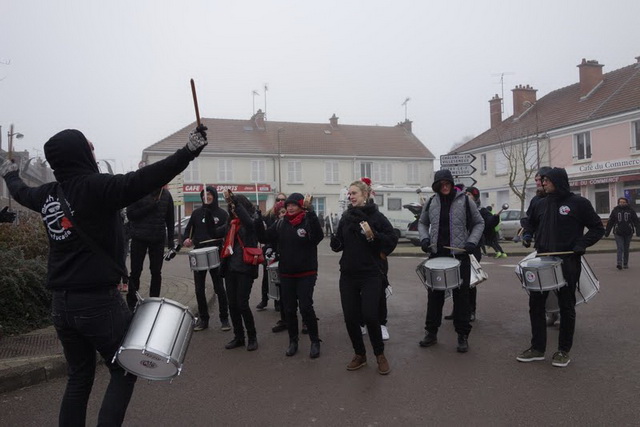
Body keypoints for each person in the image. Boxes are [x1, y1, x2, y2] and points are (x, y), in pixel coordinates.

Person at [1, 126, 208, 426]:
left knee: (79, 377)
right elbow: (145, 179)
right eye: (89, 145)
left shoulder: (48, 195)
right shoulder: (95, 187)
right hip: (97, 303)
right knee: (124, 369)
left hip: (61, 305)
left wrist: (9, 174)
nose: (94, 148)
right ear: (79, 152)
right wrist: (188, 151)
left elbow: (21, 192)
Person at [518, 167, 604, 367]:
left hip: (568, 261)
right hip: (542, 261)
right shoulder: (540, 203)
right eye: (542, 180)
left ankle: (563, 351)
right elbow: (529, 223)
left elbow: (597, 228)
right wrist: (528, 235)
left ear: (558, 181)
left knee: (566, 306)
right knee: (536, 305)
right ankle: (537, 348)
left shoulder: (578, 203)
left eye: (547, 180)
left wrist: (581, 244)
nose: (543, 183)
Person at [330, 180, 398, 375]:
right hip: (348, 274)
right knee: (350, 318)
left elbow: (391, 240)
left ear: (365, 195)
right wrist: (335, 241)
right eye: (349, 193)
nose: (351, 196)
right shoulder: (345, 217)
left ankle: (379, 354)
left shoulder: (377, 216)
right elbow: (339, 245)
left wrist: (373, 235)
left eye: (354, 193)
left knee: (369, 315)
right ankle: (359, 354)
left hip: (371, 274)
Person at [418, 169, 484, 353]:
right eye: (441, 184)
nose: (444, 186)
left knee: (461, 298)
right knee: (434, 297)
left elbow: (479, 223)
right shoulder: (431, 201)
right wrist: (424, 239)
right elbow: (422, 223)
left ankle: (462, 335)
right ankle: (431, 332)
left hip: (459, 257)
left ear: (451, 183)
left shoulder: (465, 201)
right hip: (437, 256)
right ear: (437, 186)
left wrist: (471, 242)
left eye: (447, 183)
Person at [256, 193, 324, 358]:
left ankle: (315, 341)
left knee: (306, 306)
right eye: (288, 205)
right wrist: (257, 221)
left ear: (301, 206)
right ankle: (293, 341)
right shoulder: (281, 224)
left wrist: (312, 213)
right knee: (289, 309)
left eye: (294, 205)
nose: (290, 208)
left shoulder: (307, 221)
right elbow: (263, 237)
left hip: (307, 272)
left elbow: (318, 237)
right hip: (286, 273)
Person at [182, 186, 230, 331]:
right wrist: (187, 240)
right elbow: (187, 232)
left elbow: (226, 233)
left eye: (209, 194)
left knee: (219, 287)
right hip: (199, 252)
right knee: (199, 289)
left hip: (216, 252)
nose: (206, 197)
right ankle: (204, 319)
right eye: (204, 194)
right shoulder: (196, 213)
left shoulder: (222, 214)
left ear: (214, 196)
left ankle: (224, 319)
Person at [216, 192, 260, 351]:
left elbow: (247, 221)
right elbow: (214, 232)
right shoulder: (230, 223)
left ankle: (252, 336)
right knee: (232, 305)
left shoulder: (252, 222)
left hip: (245, 268)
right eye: (231, 208)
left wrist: (235, 202)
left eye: (235, 207)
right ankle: (239, 336)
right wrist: (207, 213)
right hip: (230, 269)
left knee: (242, 304)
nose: (233, 210)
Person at [125, 186, 175, 311]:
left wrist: (171, 242)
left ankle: (154, 302)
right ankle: (131, 302)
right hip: (139, 237)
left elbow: (170, 219)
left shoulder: (167, 195)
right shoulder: (138, 191)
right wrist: (150, 206)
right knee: (135, 271)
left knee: (156, 272)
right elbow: (131, 215)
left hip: (158, 238)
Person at [256, 193, 287, 311]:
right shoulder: (269, 215)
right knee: (266, 277)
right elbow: (266, 234)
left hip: (282, 251)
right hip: (270, 249)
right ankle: (264, 299)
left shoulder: (288, 217)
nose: (280, 201)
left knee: (279, 278)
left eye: (283, 199)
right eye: (278, 199)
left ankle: (278, 302)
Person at [605, 197, 640, 270]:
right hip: (618, 232)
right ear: (618, 203)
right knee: (620, 247)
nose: (622, 203)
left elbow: (636, 221)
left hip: (628, 232)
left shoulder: (630, 210)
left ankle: (625, 263)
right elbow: (610, 221)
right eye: (620, 202)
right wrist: (607, 232)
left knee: (626, 248)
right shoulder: (615, 210)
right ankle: (619, 263)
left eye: (624, 202)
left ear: (626, 203)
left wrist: (638, 231)